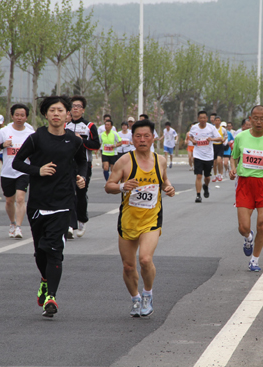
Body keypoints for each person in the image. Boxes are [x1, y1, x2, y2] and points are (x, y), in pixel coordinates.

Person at [12, 95, 87, 318]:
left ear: (68, 114)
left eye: (60, 110)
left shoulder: (74, 140)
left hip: (63, 203)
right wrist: (38, 170)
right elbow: (17, 162)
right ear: (46, 114)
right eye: (52, 110)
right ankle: (44, 280)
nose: (56, 114)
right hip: (38, 203)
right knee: (40, 252)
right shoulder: (37, 138)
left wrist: (81, 177)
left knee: (55, 250)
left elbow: (82, 161)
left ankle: (51, 297)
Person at [105, 119, 175, 317]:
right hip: (128, 220)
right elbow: (109, 185)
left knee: (145, 259)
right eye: (138, 136)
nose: (142, 140)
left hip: (151, 219)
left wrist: (168, 187)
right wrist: (121, 186)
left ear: (153, 137)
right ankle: (135, 298)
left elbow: (164, 180)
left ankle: (147, 294)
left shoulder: (160, 160)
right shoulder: (125, 161)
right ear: (132, 139)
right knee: (128, 266)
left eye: (146, 136)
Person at [229, 105, 263, 272]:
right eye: (255, 118)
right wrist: (232, 168)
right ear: (250, 119)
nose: (258, 121)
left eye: (262, 119)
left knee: (262, 224)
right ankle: (248, 237)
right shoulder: (241, 137)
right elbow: (234, 158)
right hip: (245, 184)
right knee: (243, 227)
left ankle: (255, 259)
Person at [0, 104, 34, 238]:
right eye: (17, 115)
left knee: (21, 199)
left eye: (22, 115)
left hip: (23, 171)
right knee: (9, 201)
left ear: (26, 117)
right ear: (12, 116)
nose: (19, 118)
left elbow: (37, 151)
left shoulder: (30, 133)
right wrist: (2, 145)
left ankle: (19, 228)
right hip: (7, 172)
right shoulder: (4, 131)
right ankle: (12, 222)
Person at [65, 96, 100, 238]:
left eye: (78, 106)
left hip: (84, 164)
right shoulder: (65, 126)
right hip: (68, 165)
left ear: (83, 110)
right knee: (69, 193)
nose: (75, 108)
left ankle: (82, 220)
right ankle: (70, 226)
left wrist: (81, 140)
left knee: (80, 194)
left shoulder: (89, 126)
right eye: (73, 106)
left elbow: (96, 145)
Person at [188, 111, 222, 203]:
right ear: (198, 119)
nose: (202, 119)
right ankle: (198, 195)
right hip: (198, 155)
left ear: (206, 119)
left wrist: (211, 139)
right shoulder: (194, 128)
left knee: (207, 177)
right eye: (201, 118)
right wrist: (193, 140)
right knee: (198, 175)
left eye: (204, 118)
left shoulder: (211, 128)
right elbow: (190, 136)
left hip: (208, 156)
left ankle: (206, 186)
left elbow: (220, 139)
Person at [211, 116, 227, 182]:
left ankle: (220, 174)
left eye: (218, 120)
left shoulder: (223, 129)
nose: (217, 122)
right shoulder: (212, 129)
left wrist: (223, 140)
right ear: (214, 121)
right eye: (216, 120)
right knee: (214, 163)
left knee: (219, 160)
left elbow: (226, 136)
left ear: (220, 121)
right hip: (213, 146)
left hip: (220, 146)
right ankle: (215, 175)